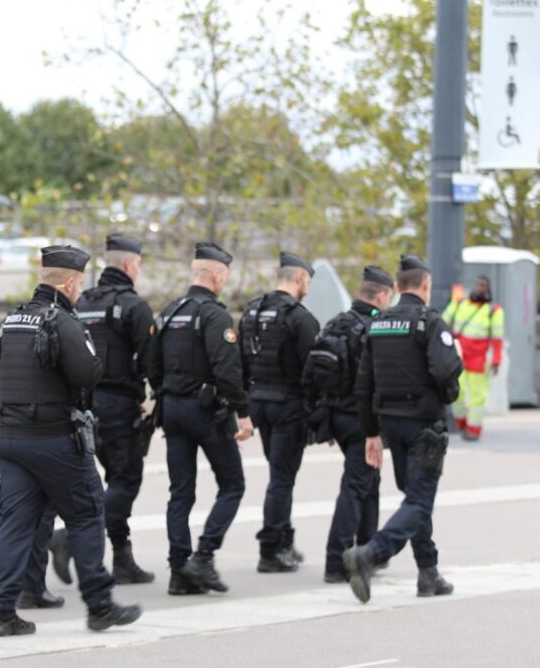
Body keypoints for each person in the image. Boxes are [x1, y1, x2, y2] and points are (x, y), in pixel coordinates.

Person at [0, 245, 142, 636]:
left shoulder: (11, 321)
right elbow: (88, 374)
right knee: (88, 512)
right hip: (55, 437)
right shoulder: (63, 321)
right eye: (79, 283)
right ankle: (100, 605)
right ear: (70, 283)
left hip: (11, 437)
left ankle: (1, 611)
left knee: (15, 523)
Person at [25, 234, 158, 591]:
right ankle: (71, 539)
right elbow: (151, 362)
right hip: (119, 408)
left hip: (82, 407)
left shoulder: (80, 302)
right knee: (125, 480)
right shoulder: (133, 306)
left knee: (95, 485)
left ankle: (123, 558)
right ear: (130, 265)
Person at [344, 254, 463, 604]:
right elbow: (445, 372)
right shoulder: (430, 322)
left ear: (397, 287)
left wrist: (371, 433)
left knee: (414, 498)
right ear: (425, 285)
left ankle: (429, 573)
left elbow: (363, 384)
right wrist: (451, 381)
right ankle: (370, 554)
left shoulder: (378, 323)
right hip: (424, 424)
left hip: (390, 424)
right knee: (419, 500)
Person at [148, 242, 253, 596]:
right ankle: (204, 557)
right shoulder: (214, 315)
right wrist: (244, 413)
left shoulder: (169, 311)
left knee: (180, 493)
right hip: (205, 411)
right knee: (233, 484)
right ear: (218, 274)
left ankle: (180, 573)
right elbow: (227, 368)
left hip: (172, 410)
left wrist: (165, 399)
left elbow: (151, 365)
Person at [303, 266, 394, 583]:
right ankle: (337, 561)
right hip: (362, 421)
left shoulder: (336, 323)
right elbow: (379, 381)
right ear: (381, 295)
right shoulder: (375, 327)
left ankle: (368, 551)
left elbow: (311, 372)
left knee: (369, 482)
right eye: (389, 298)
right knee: (356, 487)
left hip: (335, 417)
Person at [240, 251, 320, 573]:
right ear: (299, 278)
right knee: (282, 480)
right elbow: (313, 369)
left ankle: (284, 540)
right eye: (308, 283)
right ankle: (271, 550)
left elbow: (242, 362)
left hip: (259, 401)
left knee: (279, 474)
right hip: (288, 405)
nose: (308, 289)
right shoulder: (300, 318)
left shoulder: (252, 311)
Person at [443, 275, 504, 441]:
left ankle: (474, 429)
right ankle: (462, 423)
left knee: (477, 396)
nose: (479, 288)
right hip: (459, 355)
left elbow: (497, 339)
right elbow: (443, 322)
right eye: (477, 284)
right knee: (458, 393)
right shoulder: (460, 303)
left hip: (479, 359)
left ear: (488, 289)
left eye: (483, 285)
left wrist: (497, 360)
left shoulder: (494, 310)